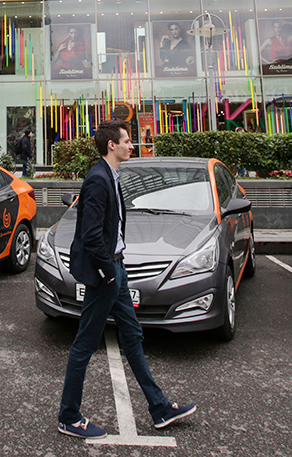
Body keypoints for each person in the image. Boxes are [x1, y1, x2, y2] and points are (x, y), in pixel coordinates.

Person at [57, 120, 195, 438]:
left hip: (117, 269)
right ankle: (68, 416)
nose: (132, 145)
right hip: (105, 274)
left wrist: (119, 264)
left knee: (132, 335)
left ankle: (159, 407)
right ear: (112, 146)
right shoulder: (97, 179)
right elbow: (91, 236)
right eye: (127, 141)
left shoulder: (111, 175)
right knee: (85, 344)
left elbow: (111, 228)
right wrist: (108, 272)